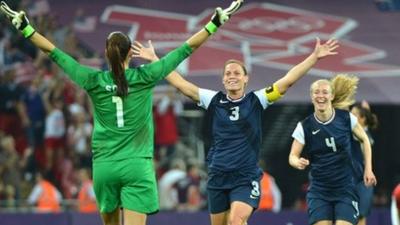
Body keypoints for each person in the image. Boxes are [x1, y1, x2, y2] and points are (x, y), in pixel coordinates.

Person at [0, 0, 244, 224]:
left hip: (104, 167)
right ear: (131, 53)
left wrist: (26, 28)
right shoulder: (146, 76)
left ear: (107, 54)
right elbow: (186, 49)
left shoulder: (92, 79)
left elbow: (55, 53)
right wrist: (214, 23)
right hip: (136, 166)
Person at [133, 35, 339, 225]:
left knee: (235, 221)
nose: (232, 76)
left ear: (246, 78)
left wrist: (314, 57)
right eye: (228, 73)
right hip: (218, 176)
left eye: (237, 73)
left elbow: (287, 81)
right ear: (223, 79)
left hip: (245, 177)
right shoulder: (214, 100)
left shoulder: (256, 100)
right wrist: (154, 59)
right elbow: (181, 84)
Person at [289, 74, 377, 225]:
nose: (320, 95)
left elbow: (365, 140)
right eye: (316, 92)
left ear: (332, 96)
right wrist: (297, 162)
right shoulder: (304, 126)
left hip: (345, 189)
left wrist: (368, 169)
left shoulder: (346, 118)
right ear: (311, 97)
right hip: (319, 191)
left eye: (324, 92)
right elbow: (292, 155)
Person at [350, 101, 378, 225]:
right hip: (348, 181)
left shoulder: (366, 137)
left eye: (354, 114)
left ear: (362, 119)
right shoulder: (347, 132)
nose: (350, 116)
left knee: (361, 216)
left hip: (363, 182)